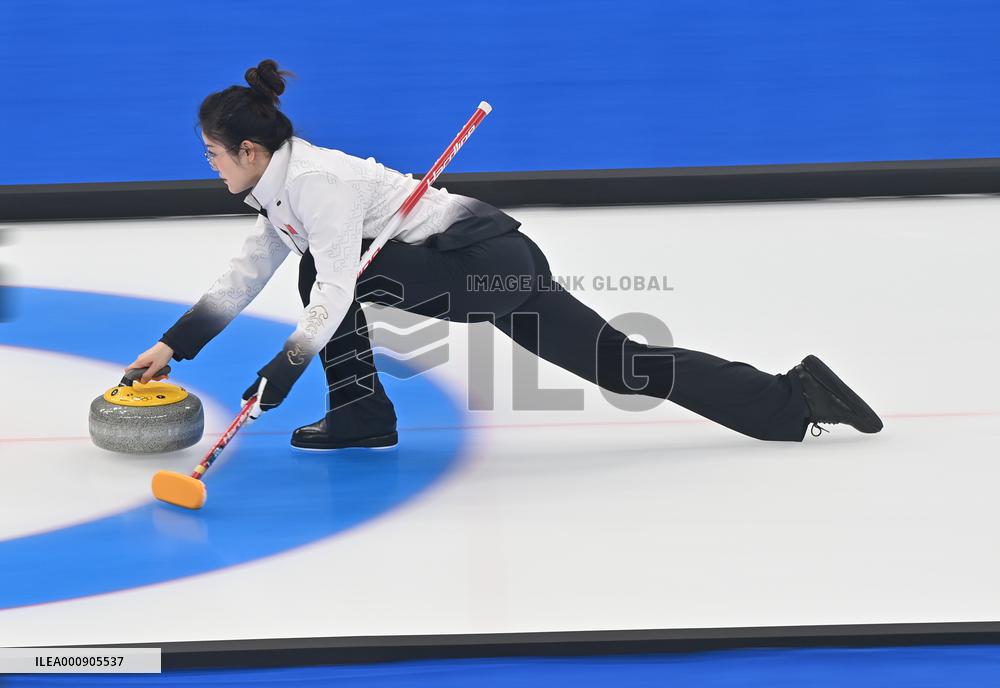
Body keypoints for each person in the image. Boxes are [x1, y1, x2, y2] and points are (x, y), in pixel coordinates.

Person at [127, 59, 883, 450]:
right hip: (498, 268)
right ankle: (795, 400)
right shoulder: (279, 192)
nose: (211, 167)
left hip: (481, 268)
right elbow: (244, 275)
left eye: (213, 155)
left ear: (251, 150)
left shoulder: (319, 186)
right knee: (623, 365)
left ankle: (360, 410)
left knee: (332, 276)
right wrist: (176, 345)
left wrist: (282, 371)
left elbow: (328, 289)